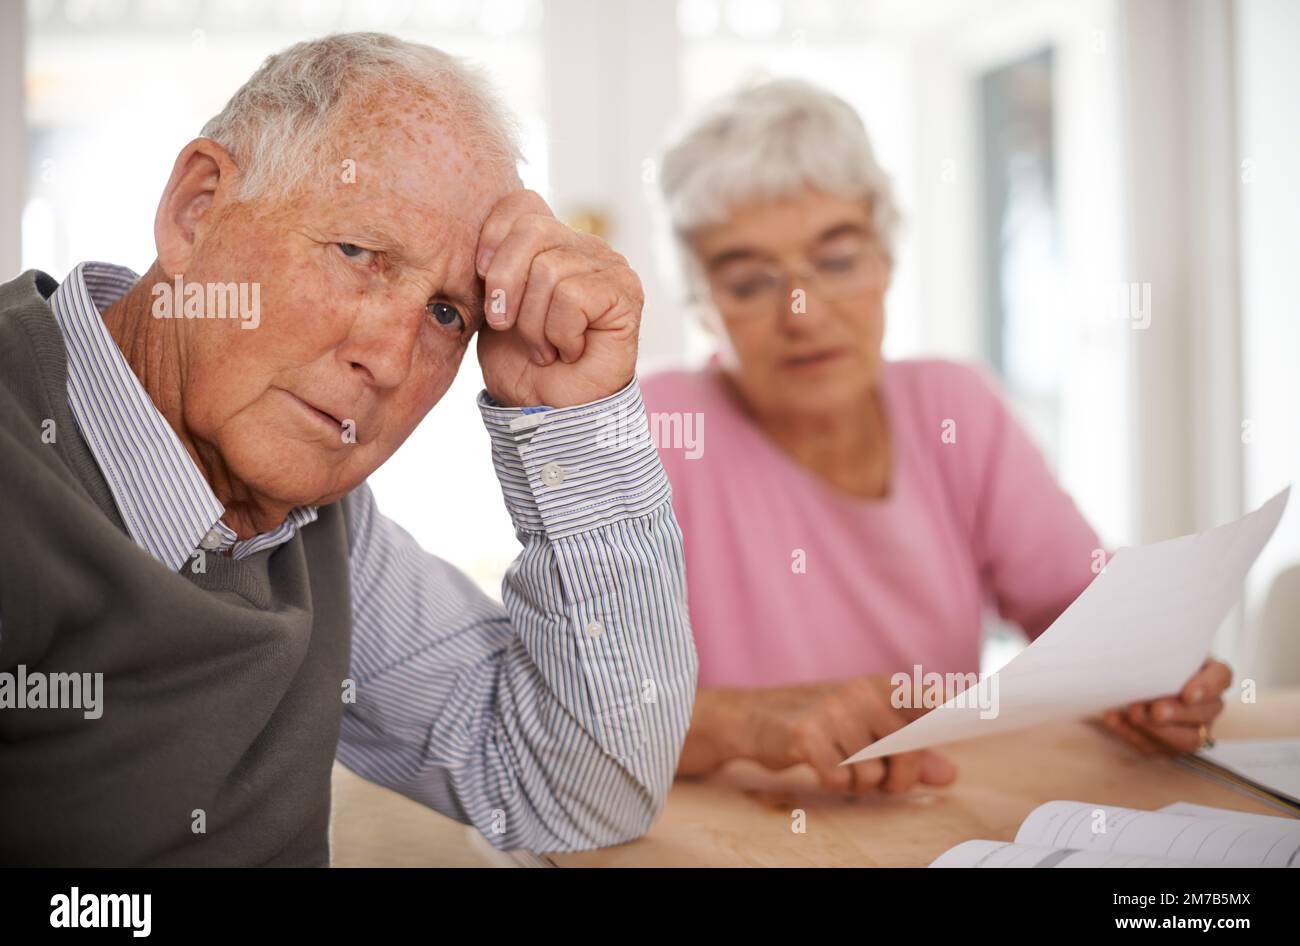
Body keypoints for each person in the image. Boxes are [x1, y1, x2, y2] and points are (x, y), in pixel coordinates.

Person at [0, 33, 696, 865]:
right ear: (196, 209)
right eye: (359, 254)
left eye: (447, 314)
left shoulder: (308, 519)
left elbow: (582, 789)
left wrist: (577, 422)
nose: (392, 359)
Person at [643, 78, 1229, 795]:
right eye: (748, 281)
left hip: (930, 813)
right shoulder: (655, 431)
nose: (803, 312)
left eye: (836, 261)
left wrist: (1149, 673)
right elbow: (567, 715)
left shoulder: (954, 405)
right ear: (700, 301)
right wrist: (739, 722)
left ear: (886, 260)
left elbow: (1081, 610)